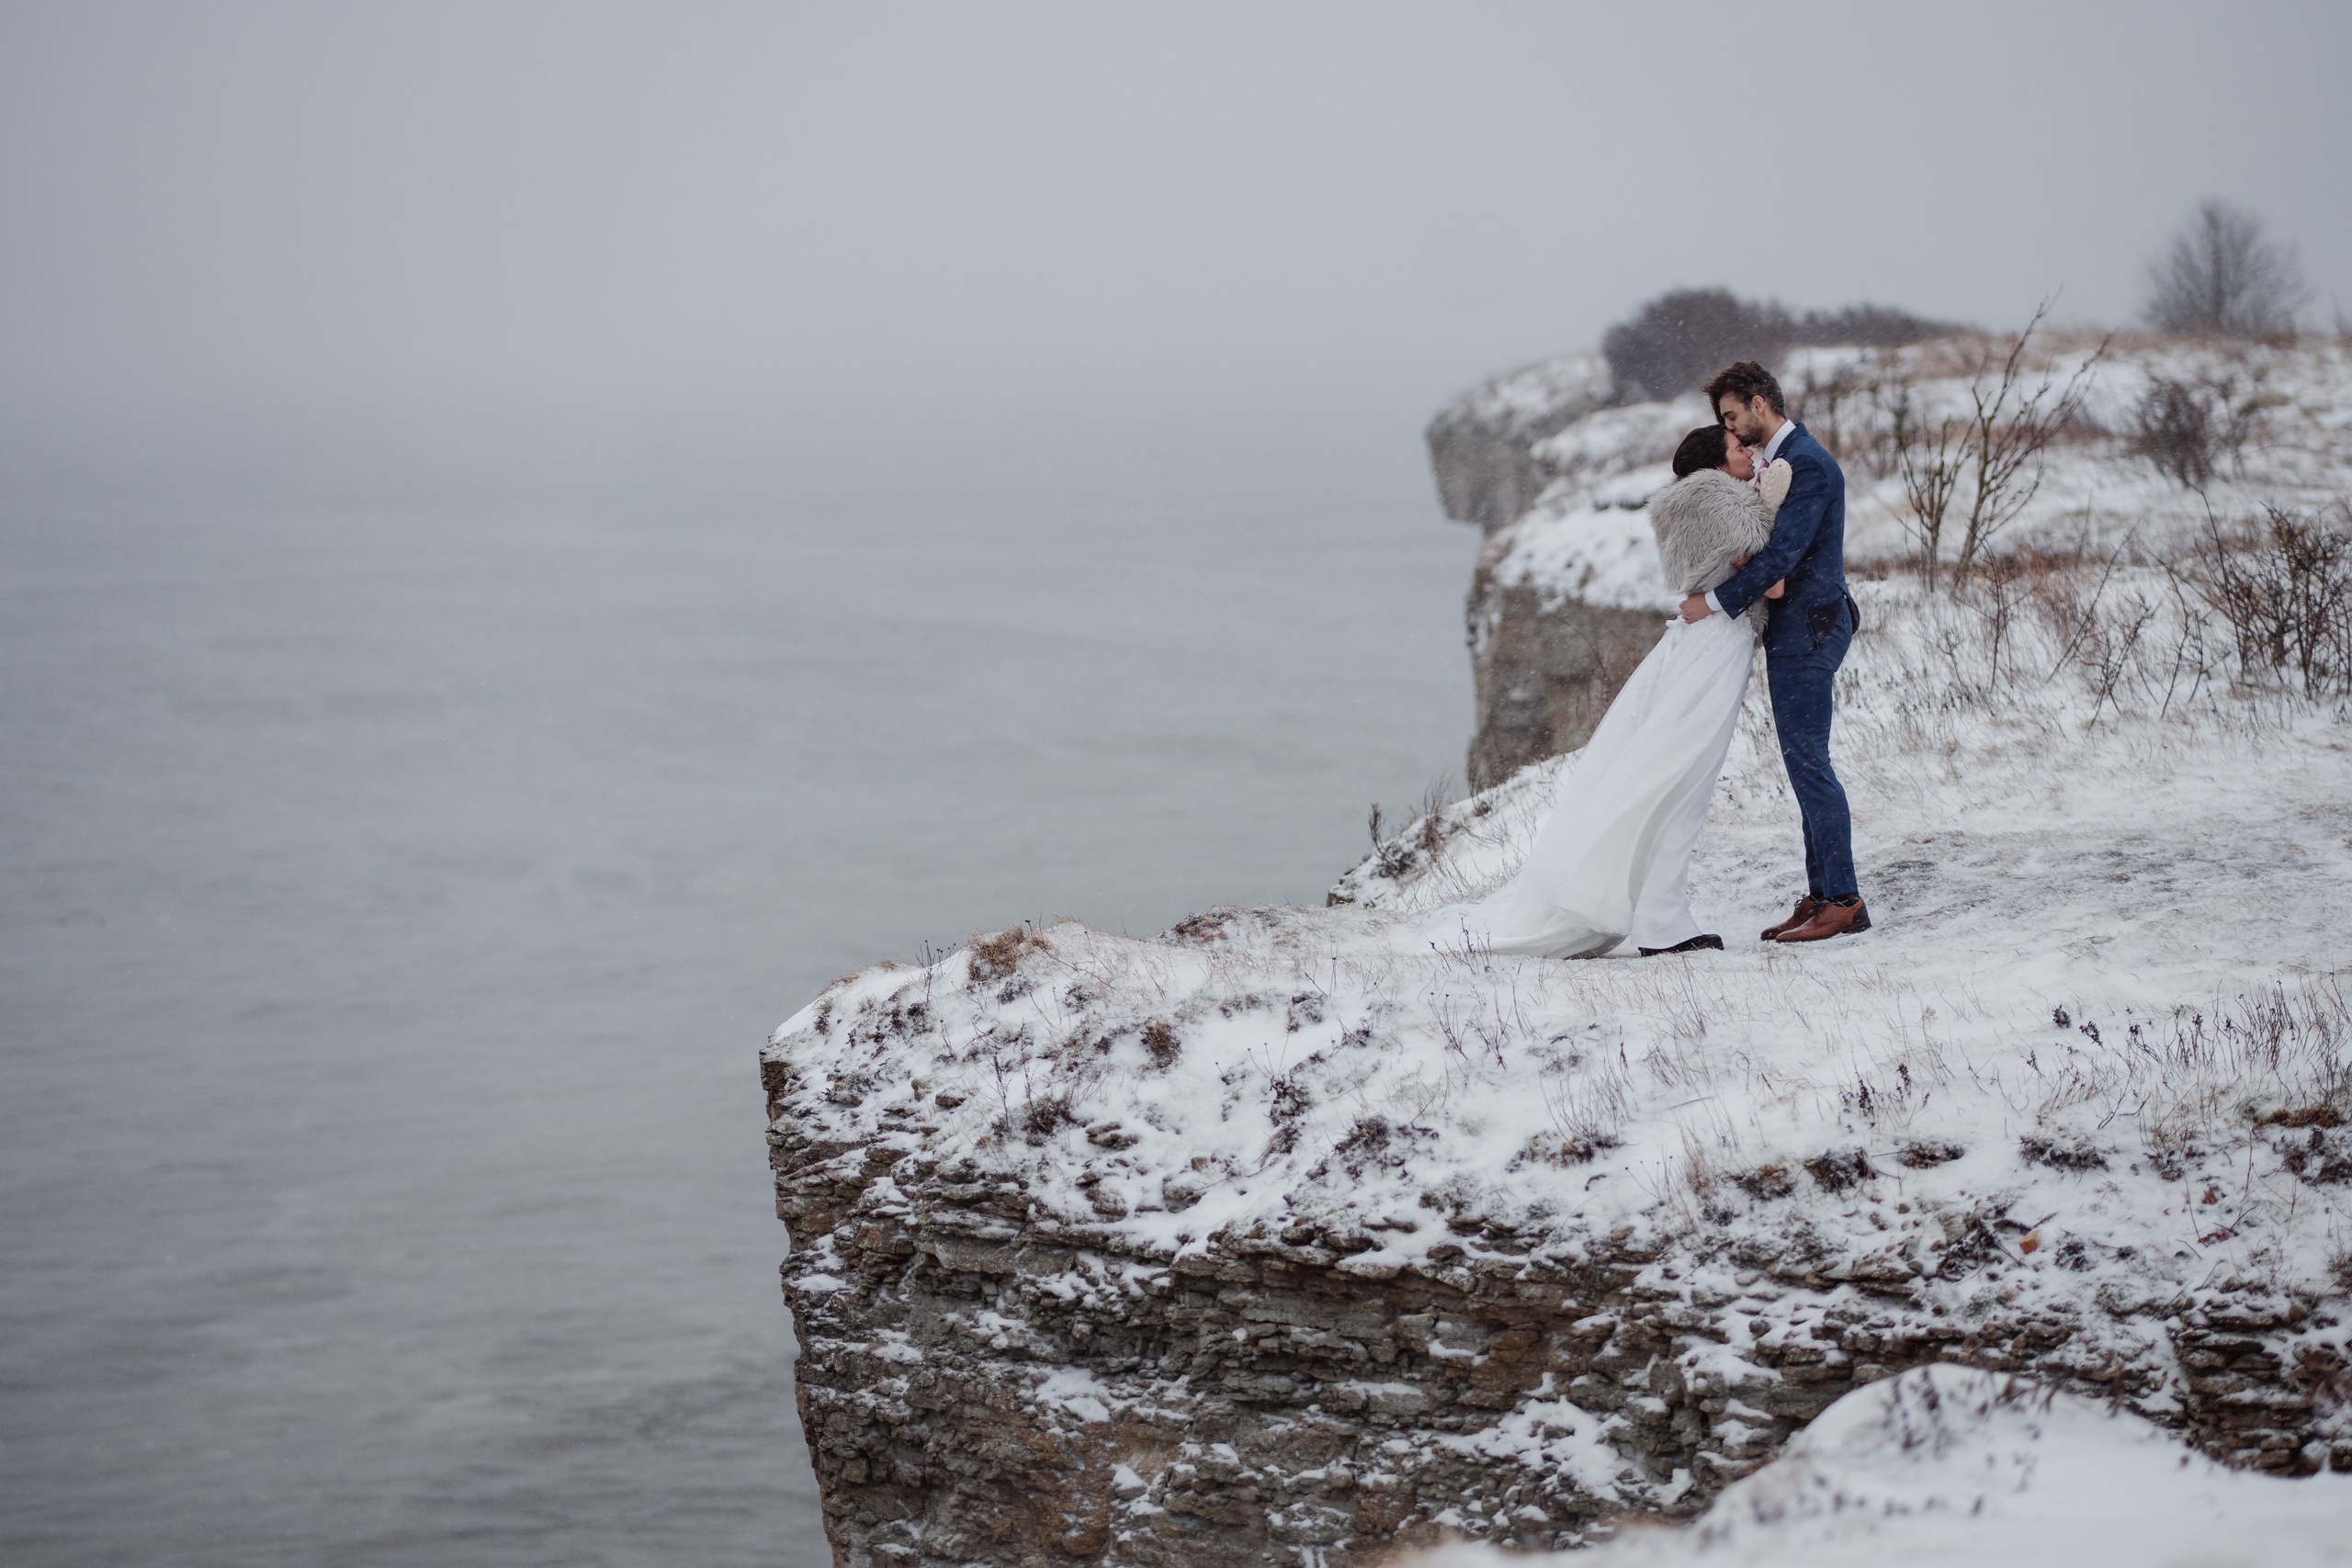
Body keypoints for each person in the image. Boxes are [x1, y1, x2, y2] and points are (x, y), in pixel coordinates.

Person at [1437, 423, 1786, 959]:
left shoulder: (1683, 506)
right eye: (1740, 449)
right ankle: (1661, 921)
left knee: (1667, 774)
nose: (1750, 453)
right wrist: (1776, 512)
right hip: (1715, 650)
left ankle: (1654, 911)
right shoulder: (1730, 506)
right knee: (1682, 782)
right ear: (1716, 465)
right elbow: (1776, 583)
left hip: (1691, 646)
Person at [1681, 360, 1868, 943]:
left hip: (1810, 626)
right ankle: (1820, 896)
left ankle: (1843, 901)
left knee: (1809, 763)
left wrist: (1711, 601)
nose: (1730, 431)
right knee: (1801, 762)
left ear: (1760, 403)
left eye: (1733, 416)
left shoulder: (1808, 465)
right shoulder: (1789, 462)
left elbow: (1784, 555)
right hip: (1798, 627)